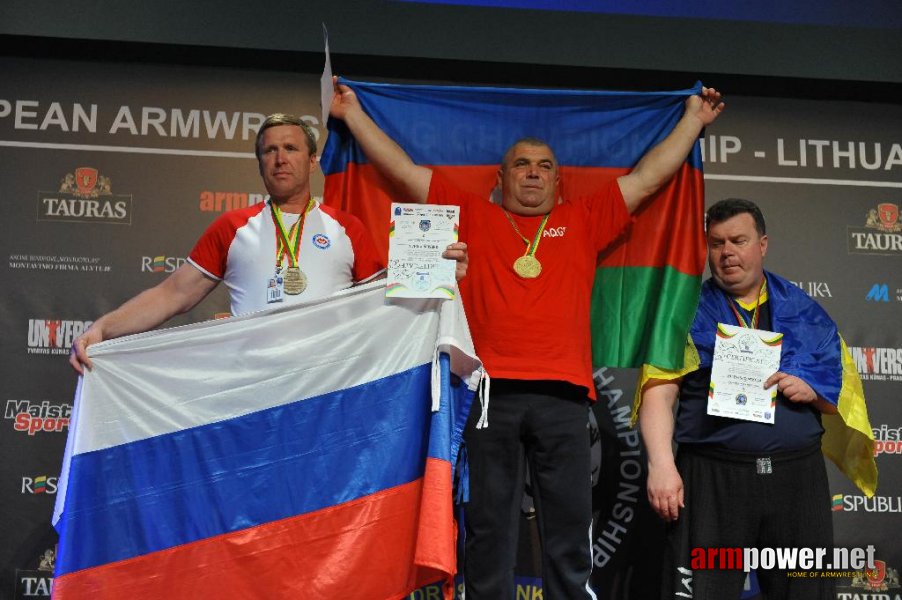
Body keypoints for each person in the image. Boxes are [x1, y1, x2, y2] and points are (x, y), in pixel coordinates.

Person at [329, 77, 724, 599]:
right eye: (522, 164)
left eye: (544, 166)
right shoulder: (472, 215)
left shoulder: (582, 219)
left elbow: (649, 177)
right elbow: (402, 170)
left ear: (558, 182)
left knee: (568, 531)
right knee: (489, 527)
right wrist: (352, 113)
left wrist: (693, 120)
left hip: (564, 398)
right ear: (501, 176)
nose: (533, 173)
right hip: (491, 395)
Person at [69, 113, 469, 373]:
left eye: (291, 149)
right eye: (269, 151)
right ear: (259, 162)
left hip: (327, 382)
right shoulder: (233, 226)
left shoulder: (347, 228)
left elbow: (387, 303)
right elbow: (173, 293)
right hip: (251, 384)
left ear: (312, 161)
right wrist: (104, 328)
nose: (280, 158)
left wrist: (440, 275)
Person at [637, 198, 877, 600]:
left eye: (738, 240)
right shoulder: (683, 314)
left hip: (795, 481)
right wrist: (661, 465)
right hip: (712, 480)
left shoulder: (805, 313)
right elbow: (657, 394)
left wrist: (814, 393)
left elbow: (843, 403)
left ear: (762, 244)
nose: (727, 252)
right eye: (716, 243)